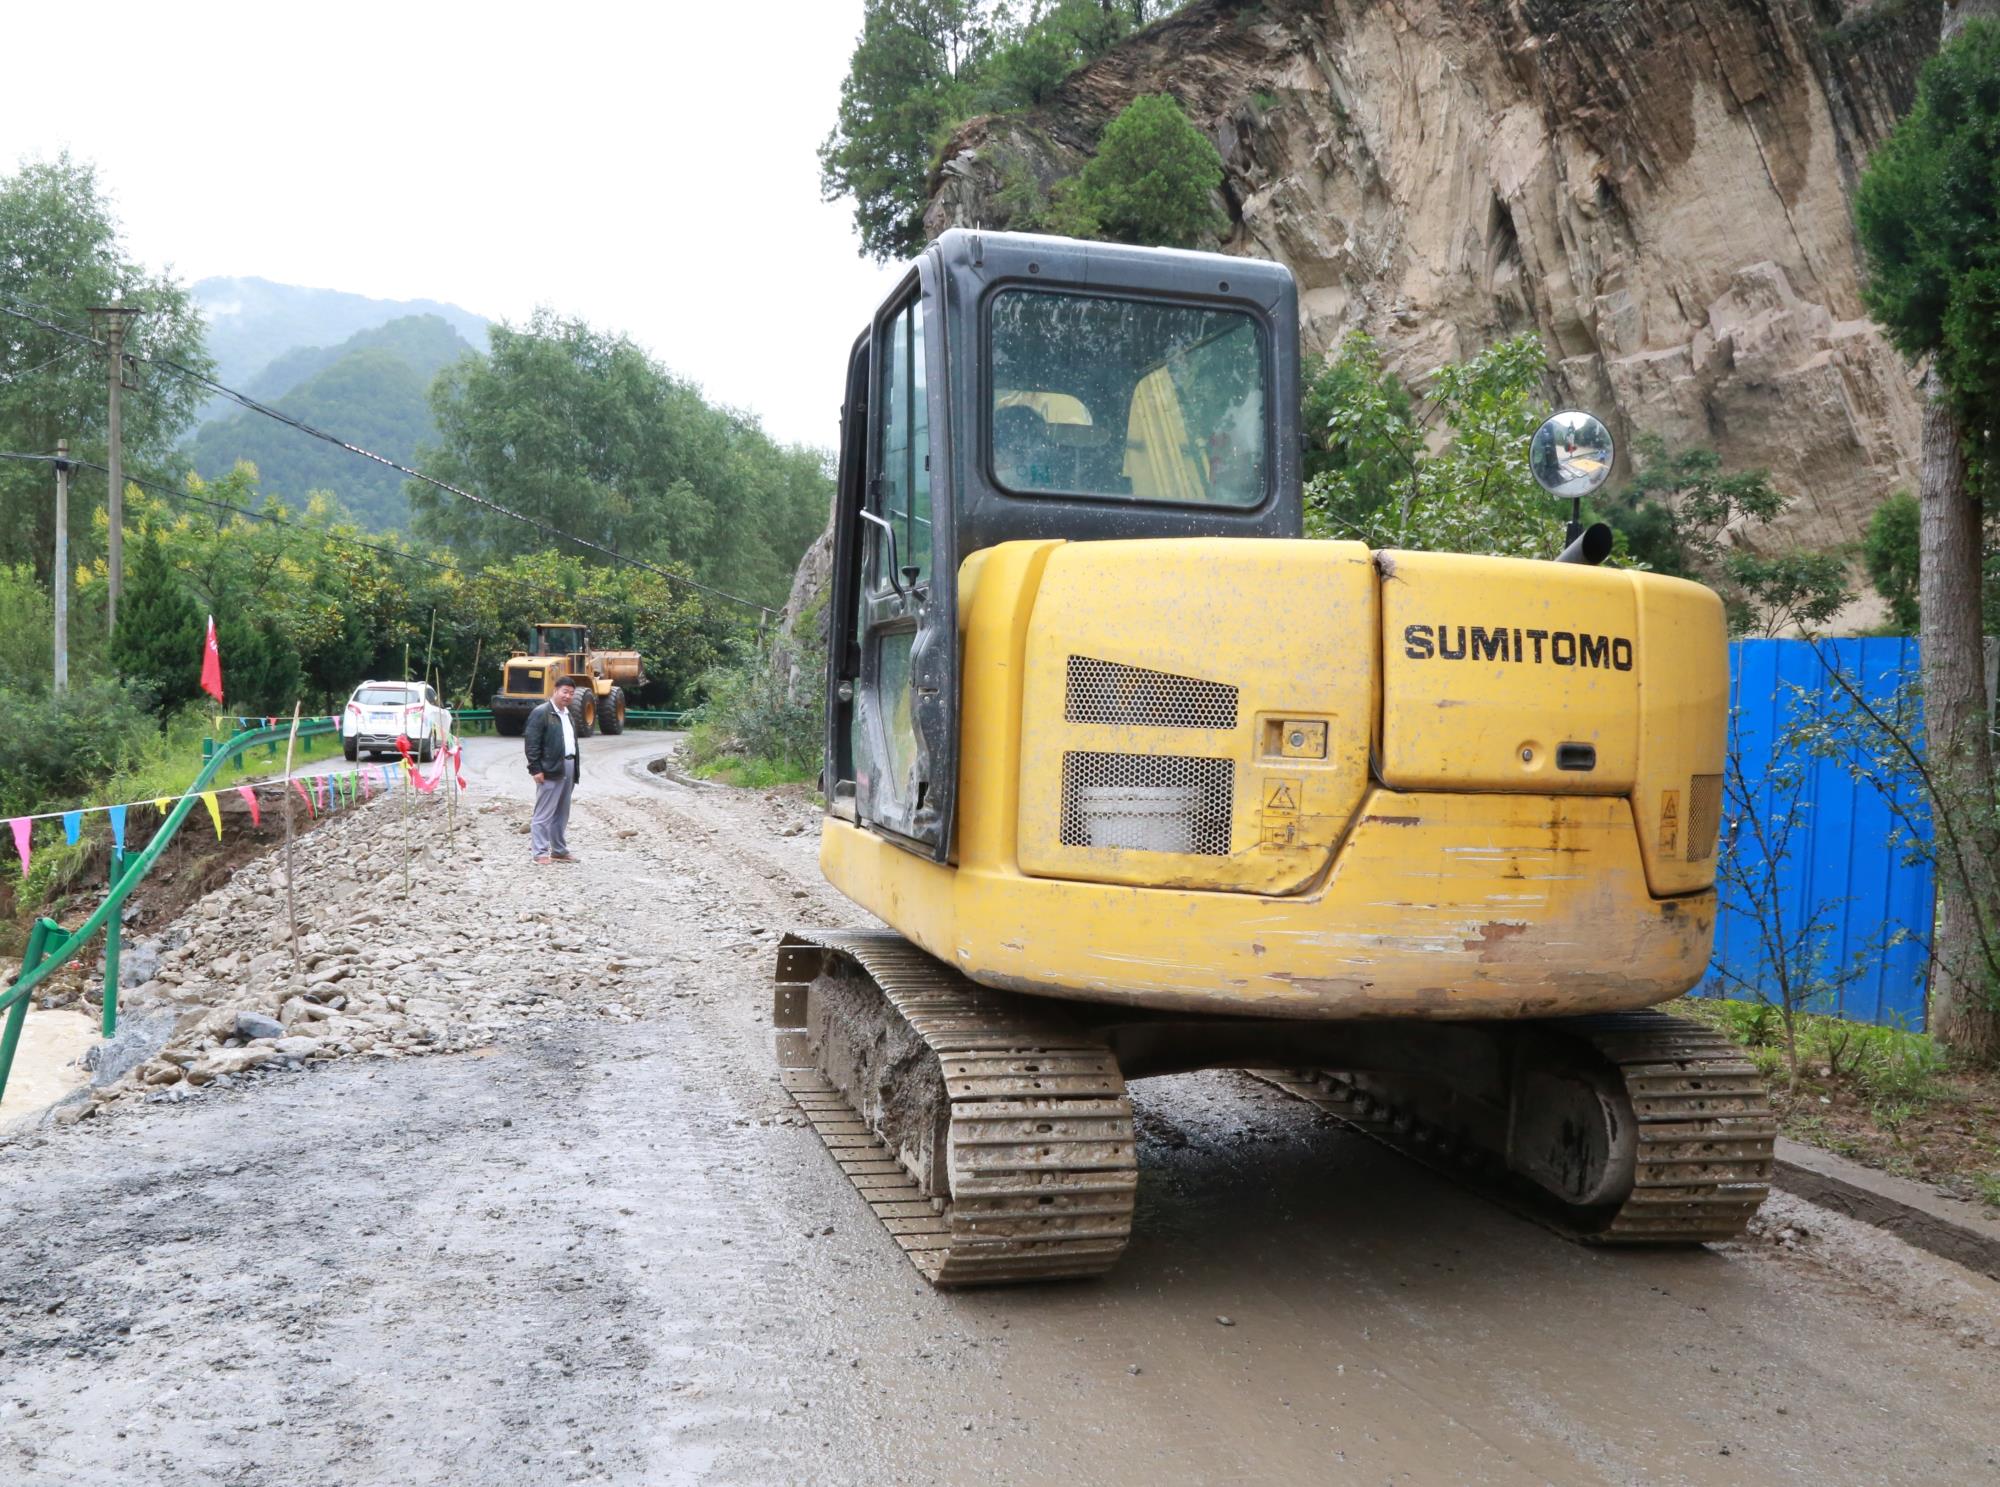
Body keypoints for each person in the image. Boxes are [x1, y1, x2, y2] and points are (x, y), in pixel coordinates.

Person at [525, 676, 582, 865]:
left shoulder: (568, 714)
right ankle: (540, 852)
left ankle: (559, 850)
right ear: (555, 690)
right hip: (550, 767)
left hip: (568, 765)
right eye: (565, 692)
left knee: (562, 812)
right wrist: (535, 769)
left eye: (571, 693)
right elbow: (532, 743)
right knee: (544, 812)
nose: (568, 696)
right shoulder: (541, 712)